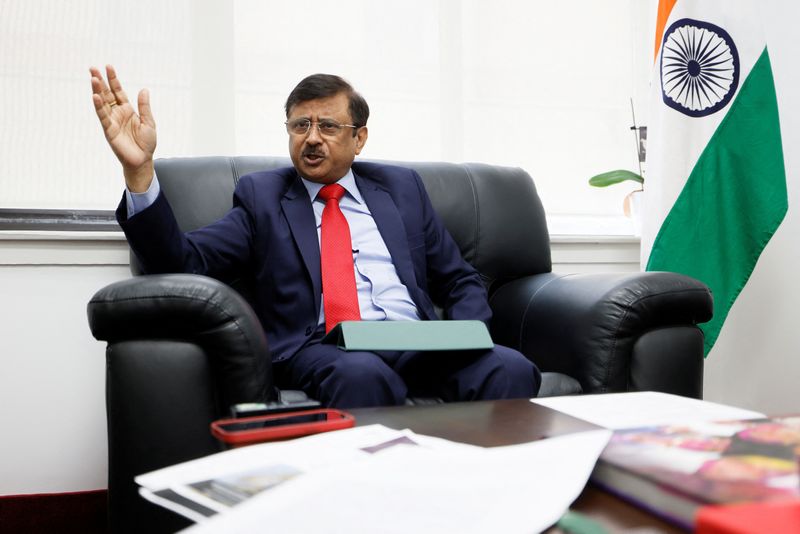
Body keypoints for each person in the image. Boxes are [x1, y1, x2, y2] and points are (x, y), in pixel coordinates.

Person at [89, 65, 541, 408]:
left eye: (328, 126)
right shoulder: (262, 197)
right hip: (325, 349)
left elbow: (459, 279)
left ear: (359, 139)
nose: (312, 139)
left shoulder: (401, 190)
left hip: (419, 342)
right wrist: (139, 170)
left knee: (509, 366)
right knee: (361, 375)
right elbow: (183, 262)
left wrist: (466, 333)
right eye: (300, 125)